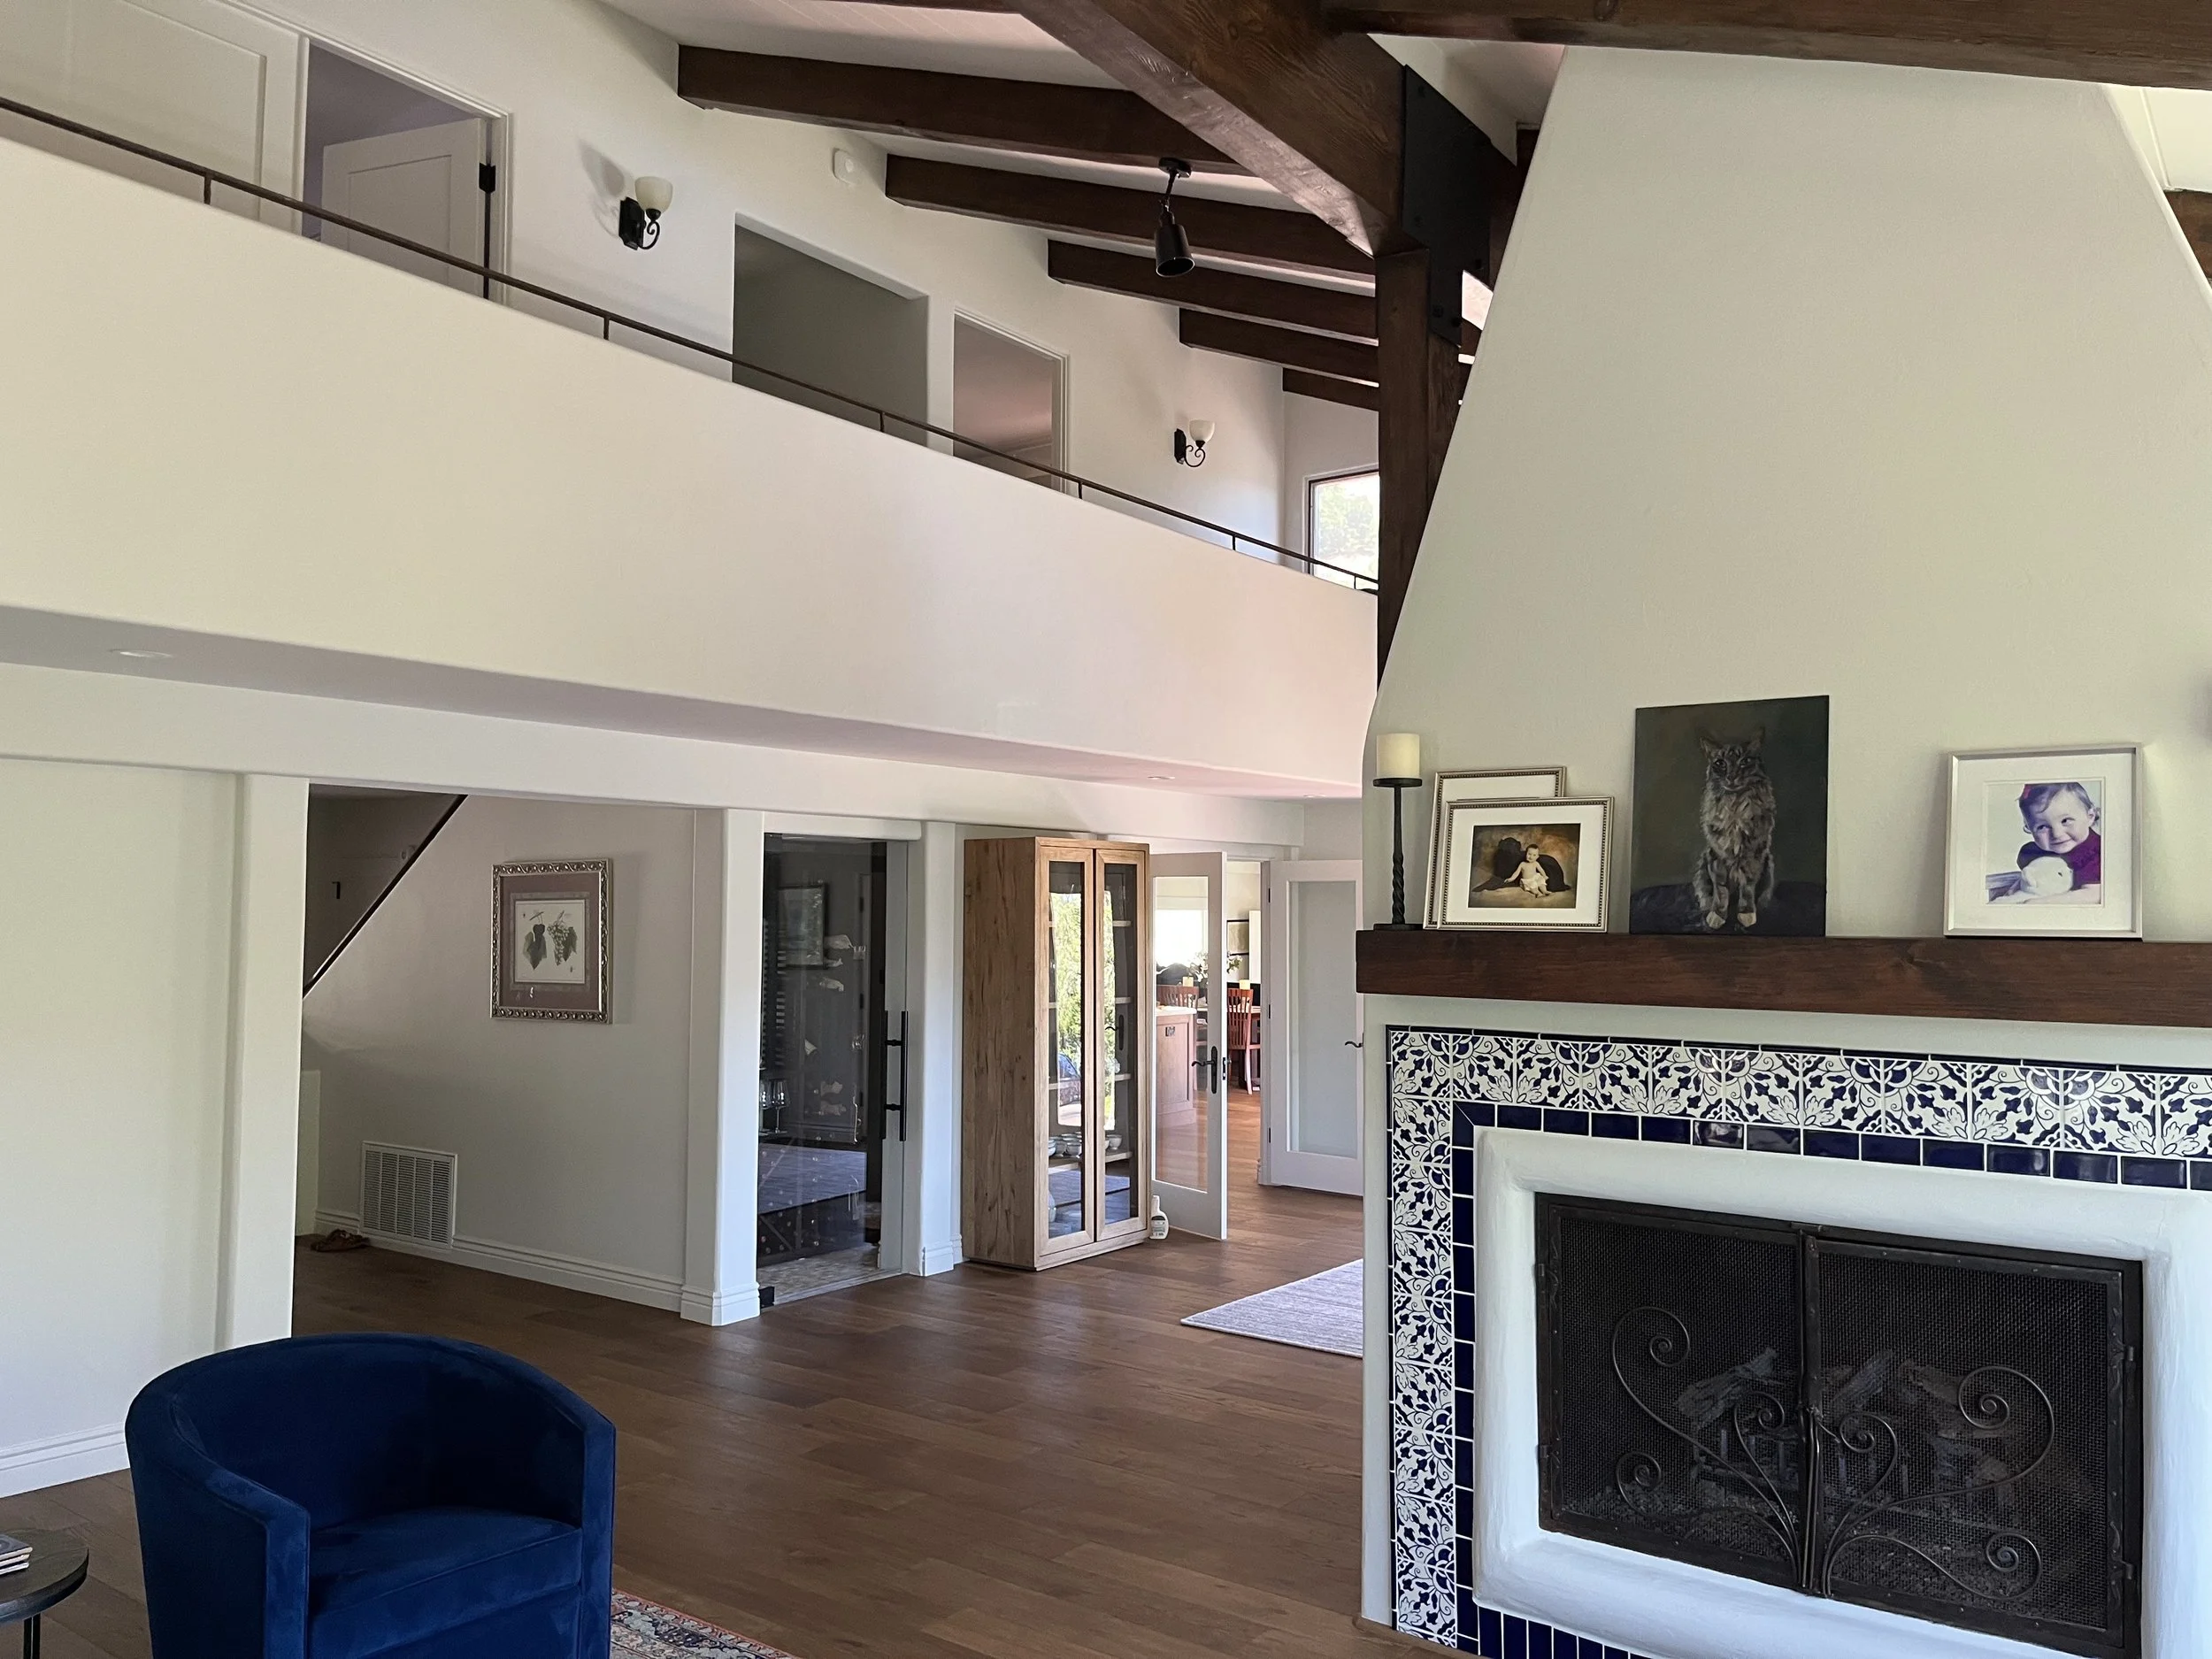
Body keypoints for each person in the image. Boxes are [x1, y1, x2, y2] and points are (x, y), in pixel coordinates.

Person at [2015, 781, 2101, 895]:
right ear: (2029, 829)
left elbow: (2094, 894)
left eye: (2065, 821)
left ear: (2090, 817)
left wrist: (2036, 904)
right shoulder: (2033, 852)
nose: (2057, 834)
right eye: (2042, 827)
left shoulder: (2096, 853)